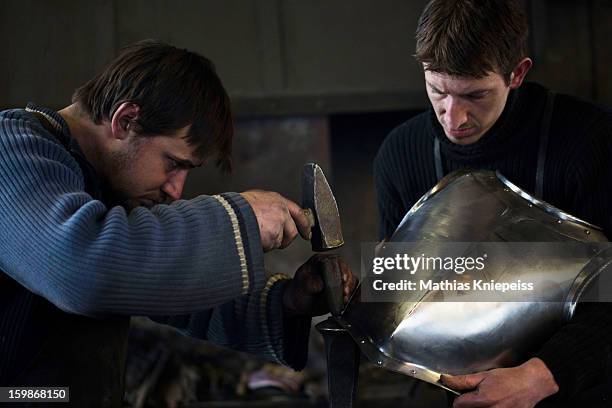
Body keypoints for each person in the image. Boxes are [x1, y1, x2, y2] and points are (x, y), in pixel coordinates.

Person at [0, 40, 355, 407]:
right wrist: (238, 216)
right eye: (173, 164)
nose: (176, 190)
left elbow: (180, 294)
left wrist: (288, 302)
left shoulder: (102, 189)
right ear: (125, 120)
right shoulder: (11, 150)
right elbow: (81, 267)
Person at [374, 0, 612, 406]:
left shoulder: (590, 142)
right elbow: (396, 289)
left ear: (517, 73)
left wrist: (542, 375)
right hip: (449, 385)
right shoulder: (400, 153)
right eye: (437, 91)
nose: (454, 118)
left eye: (475, 95)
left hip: (576, 384)